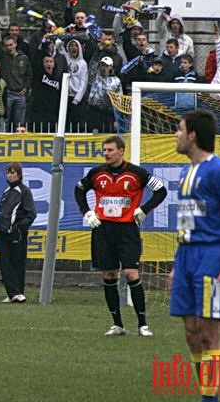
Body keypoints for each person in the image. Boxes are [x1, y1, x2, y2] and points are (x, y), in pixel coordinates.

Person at [171, 110, 220, 402]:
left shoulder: (219, 171)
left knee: (208, 333)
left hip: (212, 255)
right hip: (186, 256)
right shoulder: (185, 171)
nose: (176, 135)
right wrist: (175, 265)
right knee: (191, 330)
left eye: (179, 129)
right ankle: (206, 391)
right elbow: (187, 220)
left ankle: (209, 400)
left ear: (193, 135)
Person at [74, 135, 167, 336]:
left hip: (127, 230)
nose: (106, 153)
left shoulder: (137, 173)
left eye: (110, 150)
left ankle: (143, 324)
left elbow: (161, 190)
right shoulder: (97, 173)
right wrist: (87, 212)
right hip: (103, 230)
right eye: (104, 150)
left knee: (131, 273)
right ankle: (117, 325)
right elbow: (79, 190)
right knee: (109, 275)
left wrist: (144, 209)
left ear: (121, 151)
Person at [0, 162, 36, 304]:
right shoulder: (7, 191)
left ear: (19, 174)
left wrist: (19, 228)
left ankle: (17, 292)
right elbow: (2, 212)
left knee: (17, 263)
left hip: (17, 233)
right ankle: (12, 292)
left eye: (13, 172)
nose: (10, 175)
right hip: (3, 233)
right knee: (4, 263)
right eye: (8, 172)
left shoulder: (24, 191)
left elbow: (31, 214)